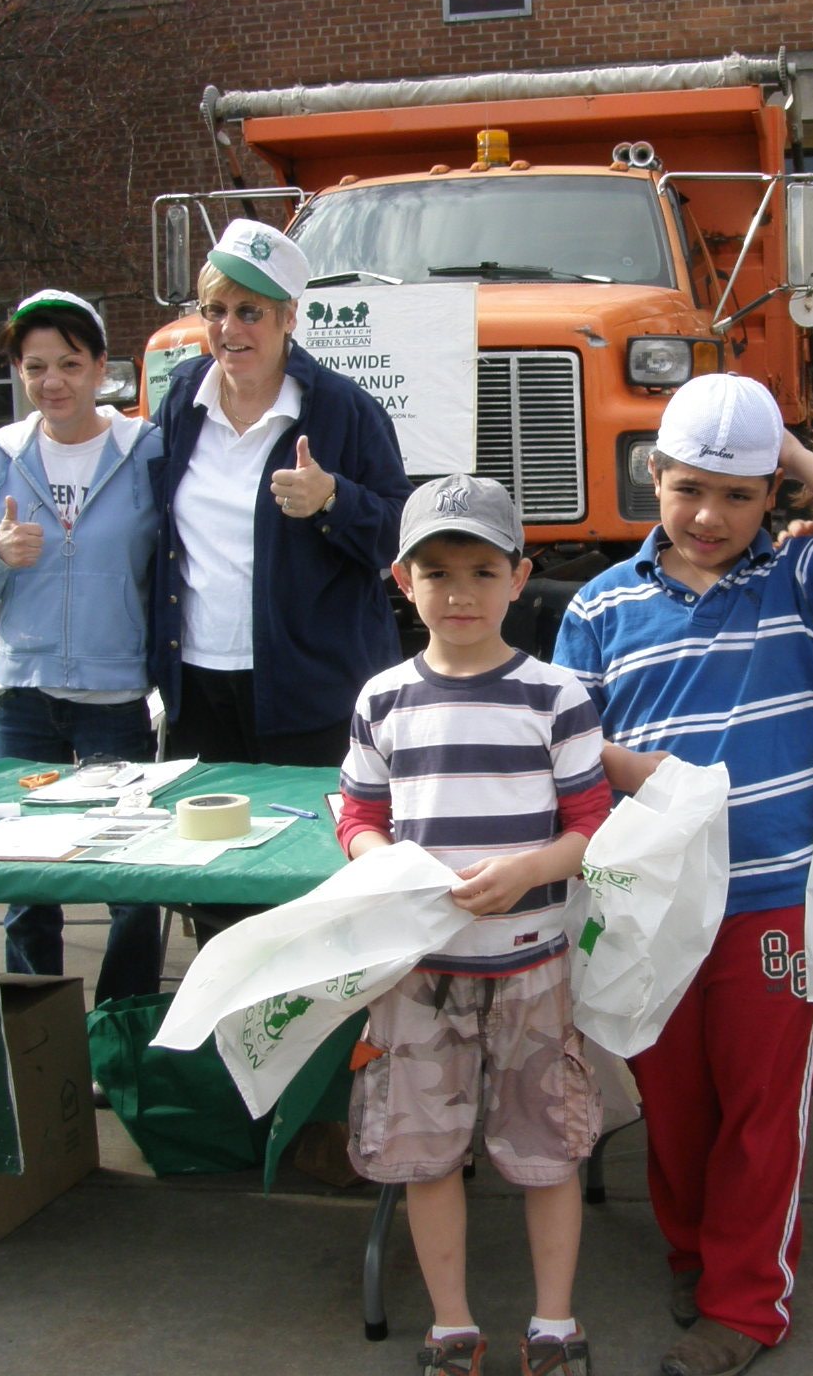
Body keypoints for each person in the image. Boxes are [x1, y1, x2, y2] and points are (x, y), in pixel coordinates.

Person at [553, 374, 813, 1376]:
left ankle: (746, 1304)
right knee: (673, 1101)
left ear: (770, 498)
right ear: (652, 477)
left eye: (739, 493)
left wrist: (790, 453)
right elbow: (568, 743)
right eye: (689, 488)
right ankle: (694, 1252)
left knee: (760, 1107)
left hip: (766, 901)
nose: (709, 516)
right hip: (651, 909)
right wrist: (649, 777)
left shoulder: (793, 585)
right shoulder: (599, 604)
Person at [337, 474, 613, 1376]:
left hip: (533, 964)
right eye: (437, 571)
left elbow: (592, 827)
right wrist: (381, 859)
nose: (459, 592)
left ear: (520, 576)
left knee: (546, 1149)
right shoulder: (382, 699)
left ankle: (556, 1322)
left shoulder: (554, 696)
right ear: (400, 578)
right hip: (419, 970)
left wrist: (530, 870)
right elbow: (358, 815)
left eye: (482, 570)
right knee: (424, 1153)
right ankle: (452, 1326)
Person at [0, 289, 165, 1002]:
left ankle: (119, 1025)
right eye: (34, 366)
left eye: (70, 363)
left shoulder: (145, 449)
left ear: (102, 366)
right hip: (24, 696)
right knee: (24, 871)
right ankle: (41, 1035)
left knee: (132, 877)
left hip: (115, 695)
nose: (53, 382)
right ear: (17, 371)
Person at [149, 216, 411, 770]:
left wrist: (334, 498)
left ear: (290, 316)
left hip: (310, 696)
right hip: (196, 688)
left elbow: (399, 536)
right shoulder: (181, 402)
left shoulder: (345, 411)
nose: (229, 328)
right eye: (215, 311)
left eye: (250, 312)